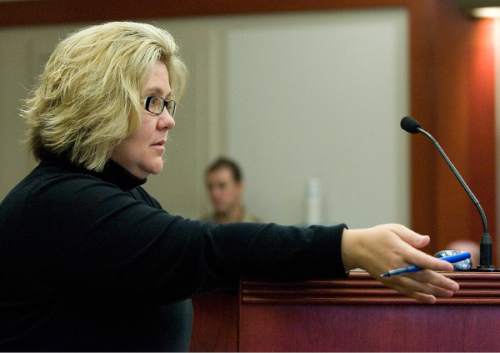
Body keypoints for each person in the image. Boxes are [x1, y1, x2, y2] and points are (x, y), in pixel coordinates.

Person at [0, 21, 458, 351]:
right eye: (151, 102)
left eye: (168, 101)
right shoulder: (61, 202)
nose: (169, 119)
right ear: (97, 105)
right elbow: (202, 248)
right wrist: (347, 246)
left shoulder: (114, 192)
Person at [203, 156, 259, 224]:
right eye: (210, 187)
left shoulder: (258, 230)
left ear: (239, 187)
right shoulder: (200, 230)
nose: (215, 193)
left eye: (222, 186)